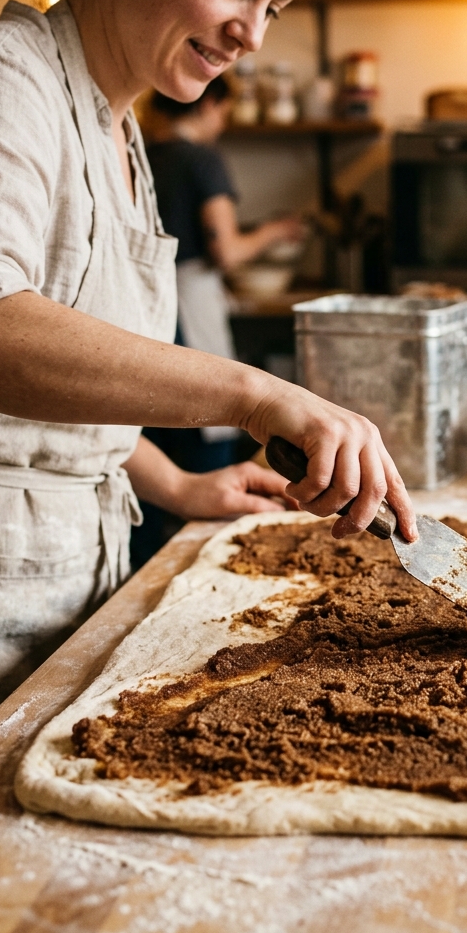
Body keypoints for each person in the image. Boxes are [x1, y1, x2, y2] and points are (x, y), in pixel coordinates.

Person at [0, 0, 416, 843]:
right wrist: (255, 394)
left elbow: (54, 389)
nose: (253, 35)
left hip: (75, 561)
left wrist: (174, 486)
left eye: (276, 6)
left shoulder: (121, 128)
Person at [130, 79, 304, 567]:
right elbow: (226, 250)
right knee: (205, 430)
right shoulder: (200, 159)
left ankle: (146, 562)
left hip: (135, 309)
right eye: (223, 111)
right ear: (209, 102)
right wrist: (276, 231)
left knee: (145, 432)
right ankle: (207, 558)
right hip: (187, 304)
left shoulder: (140, 153)